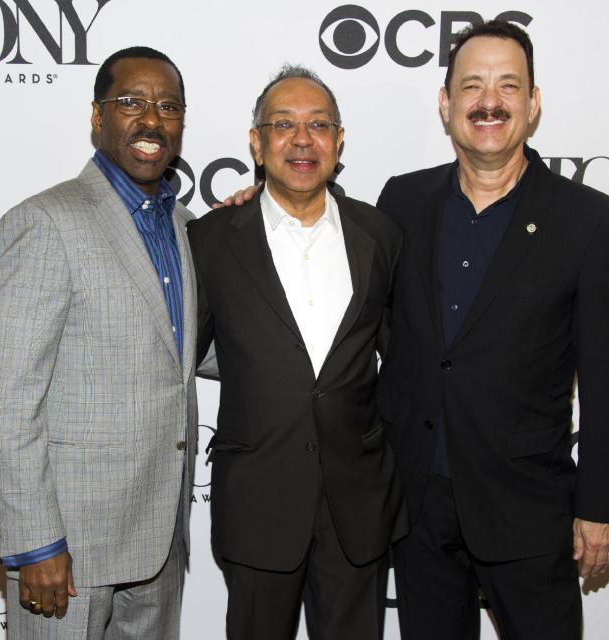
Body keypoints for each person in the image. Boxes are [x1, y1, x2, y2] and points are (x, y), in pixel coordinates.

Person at [375, 20, 609, 639]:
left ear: (533, 103)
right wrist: (262, 206)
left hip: (528, 508)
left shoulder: (588, 221)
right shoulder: (401, 203)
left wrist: (601, 509)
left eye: (507, 86)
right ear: (446, 104)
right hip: (419, 506)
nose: (488, 101)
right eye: (471, 86)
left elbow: (605, 380)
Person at [0, 46, 198, 640]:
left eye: (168, 106)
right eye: (131, 102)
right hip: (67, 547)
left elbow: (189, 349)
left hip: (157, 537)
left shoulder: (181, 222)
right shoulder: (44, 222)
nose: (152, 120)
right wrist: (36, 541)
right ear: (97, 117)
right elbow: (7, 401)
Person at [187, 65, 406, 640]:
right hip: (257, 500)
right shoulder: (210, 240)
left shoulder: (381, 234)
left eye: (318, 125)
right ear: (257, 144)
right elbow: (180, 356)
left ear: (339, 141)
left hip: (357, 503)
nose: (302, 139)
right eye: (283, 125)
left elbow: (403, 355)